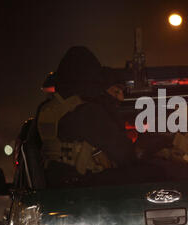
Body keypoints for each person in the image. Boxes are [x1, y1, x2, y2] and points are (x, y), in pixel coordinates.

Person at [36, 46, 136, 186]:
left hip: (54, 186)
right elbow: (125, 154)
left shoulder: (47, 109)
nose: (120, 98)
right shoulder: (88, 112)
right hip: (87, 188)